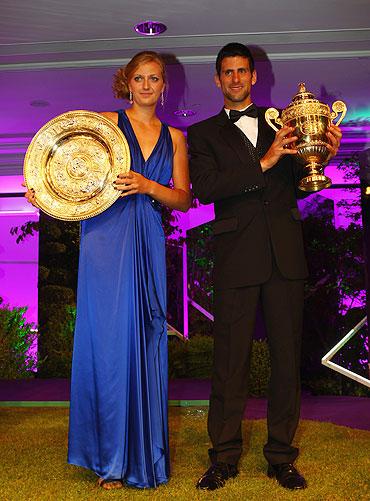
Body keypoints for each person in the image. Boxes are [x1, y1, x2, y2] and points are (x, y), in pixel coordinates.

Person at [25, 51, 191, 490]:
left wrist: (150, 185)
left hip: (148, 237)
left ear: (164, 85)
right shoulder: (102, 122)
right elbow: (67, 170)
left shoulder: (175, 137)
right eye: (140, 78)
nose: (147, 85)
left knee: (147, 334)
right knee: (109, 342)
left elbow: (184, 199)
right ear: (127, 82)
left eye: (155, 78)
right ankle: (110, 460)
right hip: (105, 236)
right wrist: (41, 188)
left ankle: (145, 455)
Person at [187, 43, 342, 491]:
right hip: (236, 260)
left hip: (285, 259)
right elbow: (210, 187)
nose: (235, 78)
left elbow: (298, 185)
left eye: (242, 71)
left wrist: (320, 157)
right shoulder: (202, 135)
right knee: (228, 364)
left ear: (254, 77)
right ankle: (223, 457)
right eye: (227, 72)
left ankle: (280, 457)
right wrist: (266, 160)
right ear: (217, 80)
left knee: (286, 364)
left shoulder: (286, 122)